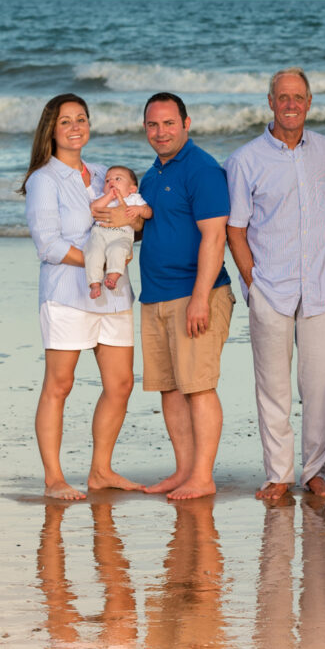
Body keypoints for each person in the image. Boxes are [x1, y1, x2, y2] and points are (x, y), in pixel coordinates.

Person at [224, 67, 325, 502]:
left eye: (299, 97)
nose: (291, 104)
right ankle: (278, 474)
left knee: (319, 388)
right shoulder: (245, 160)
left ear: (309, 102)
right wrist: (253, 283)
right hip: (270, 289)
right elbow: (235, 230)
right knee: (272, 386)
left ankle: (314, 472)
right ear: (270, 102)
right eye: (283, 97)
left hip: (321, 288)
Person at [20, 93, 143, 500]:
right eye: (66, 121)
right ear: (51, 130)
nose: (76, 127)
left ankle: (100, 470)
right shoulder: (44, 179)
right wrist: (94, 264)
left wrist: (135, 221)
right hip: (67, 293)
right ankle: (54, 477)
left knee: (121, 383)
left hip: (113, 294)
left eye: (81, 119)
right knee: (60, 384)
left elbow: (131, 219)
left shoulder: (106, 174)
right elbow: (49, 246)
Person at [134, 92, 234, 501]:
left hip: (196, 294)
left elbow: (215, 236)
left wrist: (199, 298)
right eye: (153, 125)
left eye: (169, 123)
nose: (161, 132)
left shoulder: (203, 170)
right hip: (155, 296)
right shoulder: (150, 176)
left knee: (198, 387)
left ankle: (202, 477)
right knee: (170, 388)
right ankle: (184, 470)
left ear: (186, 123)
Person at [85, 166, 151, 299]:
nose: (111, 182)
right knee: (93, 253)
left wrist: (139, 210)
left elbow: (148, 212)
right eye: (107, 180)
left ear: (132, 189)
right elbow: (93, 209)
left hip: (122, 235)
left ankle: (112, 278)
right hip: (99, 234)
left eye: (118, 179)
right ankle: (94, 284)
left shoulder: (134, 199)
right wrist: (109, 196)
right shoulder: (103, 197)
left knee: (118, 250)